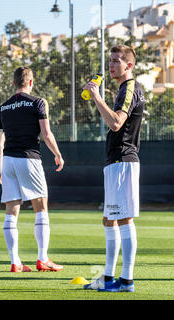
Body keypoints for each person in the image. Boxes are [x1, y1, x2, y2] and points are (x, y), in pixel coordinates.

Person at [83, 45, 143, 293]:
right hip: (115, 162)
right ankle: (108, 278)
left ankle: (126, 280)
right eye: (110, 60)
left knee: (124, 219)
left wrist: (97, 96)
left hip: (123, 160)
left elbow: (117, 123)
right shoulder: (121, 89)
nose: (111, 65)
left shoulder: (130, 87)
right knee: (110, 219)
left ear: (129, 66)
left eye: (117, 61)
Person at [0, 66, 64, 273]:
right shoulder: (38, 103)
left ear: (14, 83)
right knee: (41, 207)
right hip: (29, 158)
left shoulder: (4, 107)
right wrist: (58, 154)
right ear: (31, 83)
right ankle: (42, 259)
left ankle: (15, 262)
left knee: (11, 211)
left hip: (7, 160)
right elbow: (46, 133)